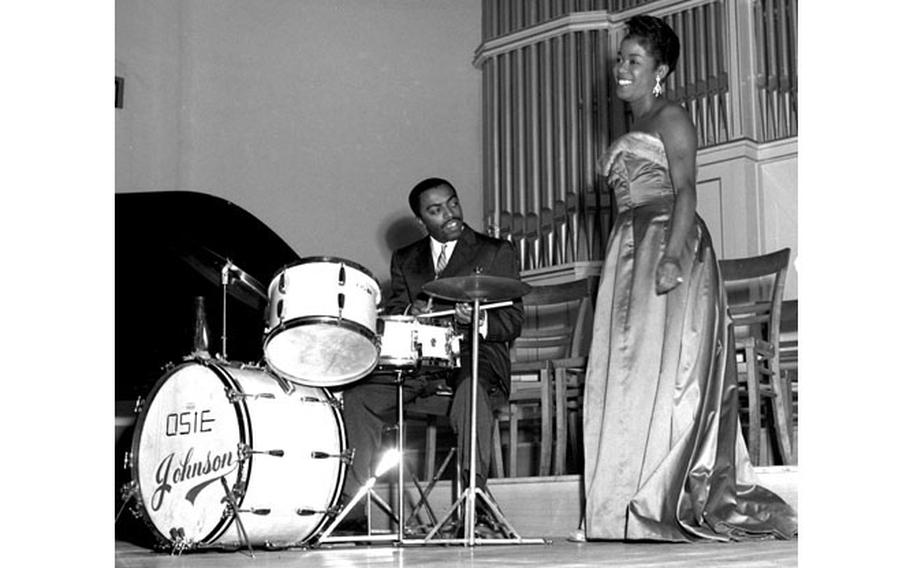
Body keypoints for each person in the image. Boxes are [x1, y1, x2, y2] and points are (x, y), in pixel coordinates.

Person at [581, 15, 797, 541]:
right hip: (627, 248)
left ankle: (664, 499)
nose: (621, 69)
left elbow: (685, 192)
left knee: (672, 376)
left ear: (661, 70)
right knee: (631, 376)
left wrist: (674, 256)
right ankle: (623, 508)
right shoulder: (633, 126)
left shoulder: (671, 116)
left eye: (634, 60)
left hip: (666, 240)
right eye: (620, 59)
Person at [338, 177, 523, 534]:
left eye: (452, 203)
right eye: (436, 210)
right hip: (419, 366)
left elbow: (513, 321)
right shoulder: (405, 259)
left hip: (476, 357)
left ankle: (475, 498)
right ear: (422, 222)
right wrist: (410, 311)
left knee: (470, 387)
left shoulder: (495, 251)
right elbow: (393, 313)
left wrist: (479, 318)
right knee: (359, 395)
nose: (450, 214)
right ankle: (353, 509)